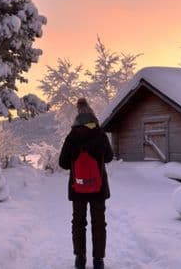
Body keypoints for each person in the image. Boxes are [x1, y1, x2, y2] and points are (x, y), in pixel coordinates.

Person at [59, 98, 113, 269]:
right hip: (98, 188)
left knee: (78, 222)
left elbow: (63, 163)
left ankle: (80, 259)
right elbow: (110, 157)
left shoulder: (72, 136)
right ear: (92, 117)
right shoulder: (100, 134)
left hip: (77, 188)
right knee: (99, 222)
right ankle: (98, 260)